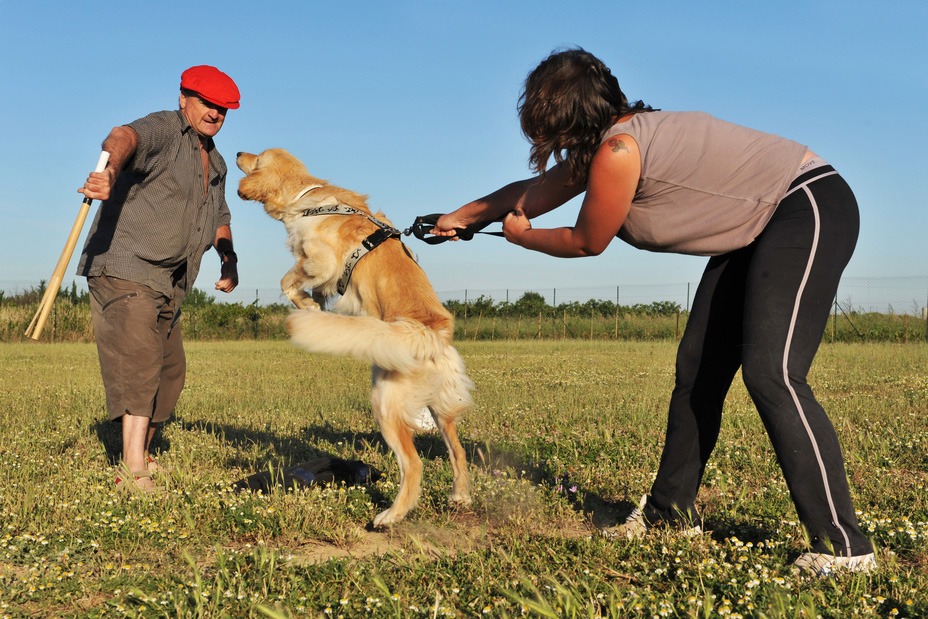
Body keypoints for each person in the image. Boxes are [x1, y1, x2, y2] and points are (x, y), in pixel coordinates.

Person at [434, 48, 875, 576]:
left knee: (772, 372)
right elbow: (527, 194)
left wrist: (522, 238)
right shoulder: (610, 144)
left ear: (566, 120)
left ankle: (846, 548)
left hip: (806, 204)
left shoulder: (619, 150)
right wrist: (460, 216)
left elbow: (586, 240)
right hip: (756, 226)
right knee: (698, 371)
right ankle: (670, 513)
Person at [77, 65, 241, 492]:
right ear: (184, 97)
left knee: (171, 372)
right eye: (207, 103)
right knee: (141, 362)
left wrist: (229, 259)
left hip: (171, 281)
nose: (215, 114)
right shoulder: (165, 130)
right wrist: (110, 172)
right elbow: (123, 137)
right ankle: (132, 470)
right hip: (126, 266)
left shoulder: (216, 162)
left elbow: (219, 219)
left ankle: (142, 451)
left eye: (223, 109)